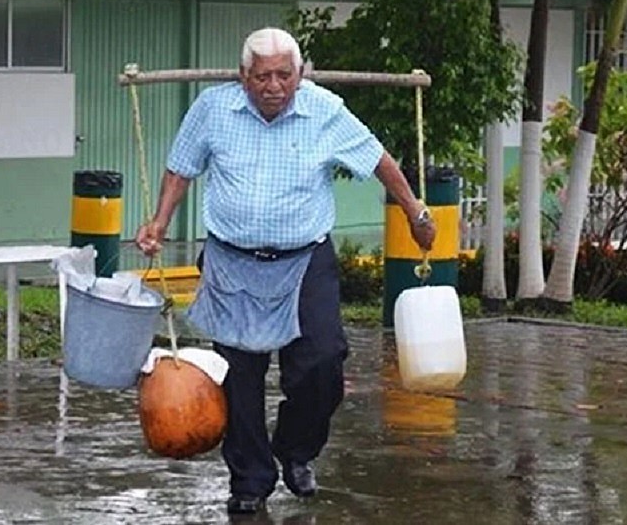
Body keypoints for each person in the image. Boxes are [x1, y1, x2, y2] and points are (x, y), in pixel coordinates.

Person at [135, 27, 436, 515]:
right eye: (262, 77)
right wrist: (159, 222)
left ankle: (296, 450)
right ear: (243, 77)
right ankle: (250, 480)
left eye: (283, 75)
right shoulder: (213, 108)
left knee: (322, 364)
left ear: (300, 74)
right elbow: (181, 167)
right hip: (232, 262)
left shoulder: (325, 109)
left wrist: (415, 212)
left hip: (305, 260)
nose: (274, 86)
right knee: (239, 379)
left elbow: (377, 159)